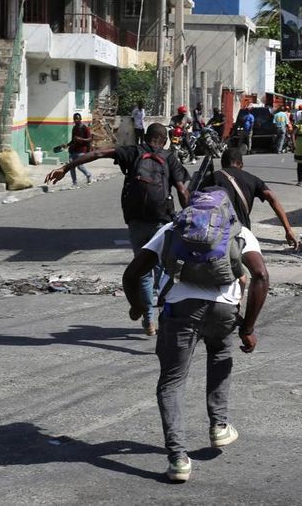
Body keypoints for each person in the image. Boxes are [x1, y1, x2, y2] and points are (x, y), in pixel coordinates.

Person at [122, 188, 269, 482]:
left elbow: (133, 272)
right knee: (220, 357)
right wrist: (249, 328)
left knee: (172, 381)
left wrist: (139, 307)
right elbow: (261, 276)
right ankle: (219, 426)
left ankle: (178, 458)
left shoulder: (171, 229)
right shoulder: (239, 232)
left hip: (180, 308)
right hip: (223, 308)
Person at [45, 124, 190, 334]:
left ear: (146, 137)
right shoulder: (169, 158)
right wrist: (190, 219)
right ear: (165, 140)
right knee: (163, 270)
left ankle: (149, 321)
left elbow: (97, 153)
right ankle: (165, 316)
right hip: (161, 220)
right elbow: (183, 191)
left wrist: (66, 168)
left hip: (136, 221)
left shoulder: (132, 152)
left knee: (143, 270)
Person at [213, 148, 300, 249]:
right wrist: (288, 230)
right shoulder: (251, 179)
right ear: (240, 164)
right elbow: (272, 198)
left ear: (222, 163)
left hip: (217, 234)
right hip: (242, 233)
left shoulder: (213, 177)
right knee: (256, 264)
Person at [68, 113, 93, 185]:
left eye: (77, 119)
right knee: (71, 166)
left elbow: (90, 139)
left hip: (82, 150)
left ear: (80, 119)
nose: (76, 120)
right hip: (73, 150)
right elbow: (73, 140)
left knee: (80, 166)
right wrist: (66, 145)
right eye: (74, 119)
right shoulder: (74, 128)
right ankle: (74, 182)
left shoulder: (85, 128)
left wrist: (80, 139)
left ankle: (88, 175)